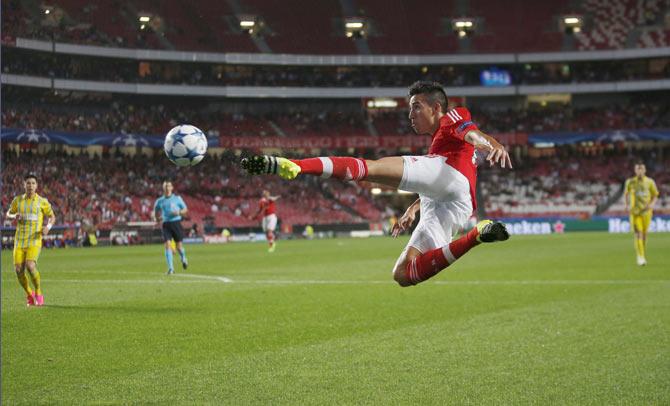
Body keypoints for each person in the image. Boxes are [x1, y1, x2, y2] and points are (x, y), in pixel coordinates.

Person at [242, 81, 512, 286]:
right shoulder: (440, 141)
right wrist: (414, 207)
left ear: (436, 107)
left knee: (370, 168)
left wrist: (493, 145)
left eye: (416, 106)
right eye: (409, 108)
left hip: (452, 176)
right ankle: (476, 236)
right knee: (404, 274)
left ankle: (297, 166)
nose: (410, 114)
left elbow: (473, 134)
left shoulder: (453, 117)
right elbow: (441, 179)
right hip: (454, 202)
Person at [5, 174, 56, 306]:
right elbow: (8, 213)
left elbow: (52, 216)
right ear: (24, 185)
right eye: (28, 183)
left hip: (34, 239)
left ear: (37, 186)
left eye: (33, 183)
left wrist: (48, 227)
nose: (30, 186)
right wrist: (14, 215)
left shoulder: (42, 201)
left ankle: (38, 291)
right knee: (18, 270)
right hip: (20, 240)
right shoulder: (18, 201)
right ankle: (29, 294)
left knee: (30, 265)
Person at [624, 162, 659, 266]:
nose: (639, 171)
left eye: (641, 169)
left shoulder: (650, 182)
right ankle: (640, 257)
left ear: (645, 170)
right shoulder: (630, 182)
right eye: (638, 169)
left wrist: (652, 204)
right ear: (635, 171)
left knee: (644, 236)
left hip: (646, 213)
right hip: (635, 213)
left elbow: (655, 195)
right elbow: (626, 194)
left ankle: (641, 254)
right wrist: (626, 204)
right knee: (638, 233)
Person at [152, 181, 188, 275]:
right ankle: (171, 269)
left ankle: (183, 257)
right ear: (163, 188)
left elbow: (185, 210)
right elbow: (156, 212)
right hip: (166, 225)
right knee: (167, 245)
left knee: (179, 247)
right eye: (165, 186)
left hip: (176, 223)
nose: (167, 188)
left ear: (172, 188)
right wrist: (157, 218)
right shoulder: (159, 201)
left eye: (169, 186)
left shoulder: (177, 199)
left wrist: (179, 212)